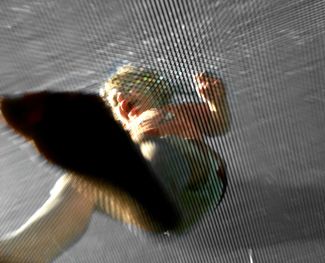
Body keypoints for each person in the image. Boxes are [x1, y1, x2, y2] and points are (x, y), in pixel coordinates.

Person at [0, 65, 230, 262]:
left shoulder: (175, 111)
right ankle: (19, 253)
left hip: (198, 175)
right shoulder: (127, 135)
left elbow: (219, 124)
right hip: (170, 210)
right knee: (79, 182)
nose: (120, 99)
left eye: (128, 88)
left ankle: (150, 190)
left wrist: (215, 101)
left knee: (159, 149)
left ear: (154, 90)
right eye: (113, 102)